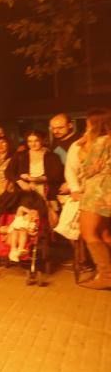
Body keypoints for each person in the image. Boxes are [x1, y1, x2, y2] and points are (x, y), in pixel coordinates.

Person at [76, 109, 111, 289]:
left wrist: (83, 146)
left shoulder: (99, 142)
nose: (86, 126)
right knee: (104, 233)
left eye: (88, 123)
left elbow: (88, 169)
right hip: (107, 192)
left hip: (97, 191)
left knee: (88, 232)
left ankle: (106, 276)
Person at [7, 130, 64, 225]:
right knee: (27, 222)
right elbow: (9, 172)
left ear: (42, 140)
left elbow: (57, 175)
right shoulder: (20, 155)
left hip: (46, 193)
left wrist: (36, 179)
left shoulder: (52, 156)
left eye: (36, 140)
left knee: (48, 221)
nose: (33, 144)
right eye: (30, 141)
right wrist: (20, 182)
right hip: (26, 194)